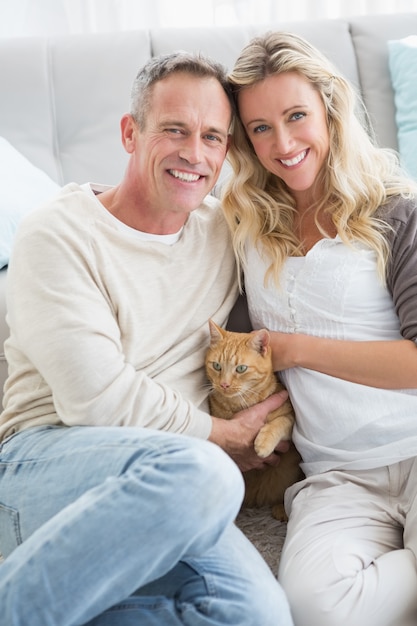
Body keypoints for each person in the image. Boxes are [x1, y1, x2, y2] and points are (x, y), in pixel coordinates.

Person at [0, 51, 294, 626]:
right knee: (204, 470)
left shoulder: (223, 234)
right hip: (43, 461)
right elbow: (94, 399)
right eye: (175, 130)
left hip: (172, 487)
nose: (194, 153)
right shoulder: (56, 234)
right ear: (130, 133)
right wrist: (222, 435)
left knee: (257, 614)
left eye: (213, 137)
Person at [222, 30, 417, 626]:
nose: (282, 143)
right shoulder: (242, 228)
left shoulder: (396, 210)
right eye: (260, 128)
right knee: (313, 608)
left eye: (296, 116)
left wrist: (296, 349)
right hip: (336, 474)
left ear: (329, 108)